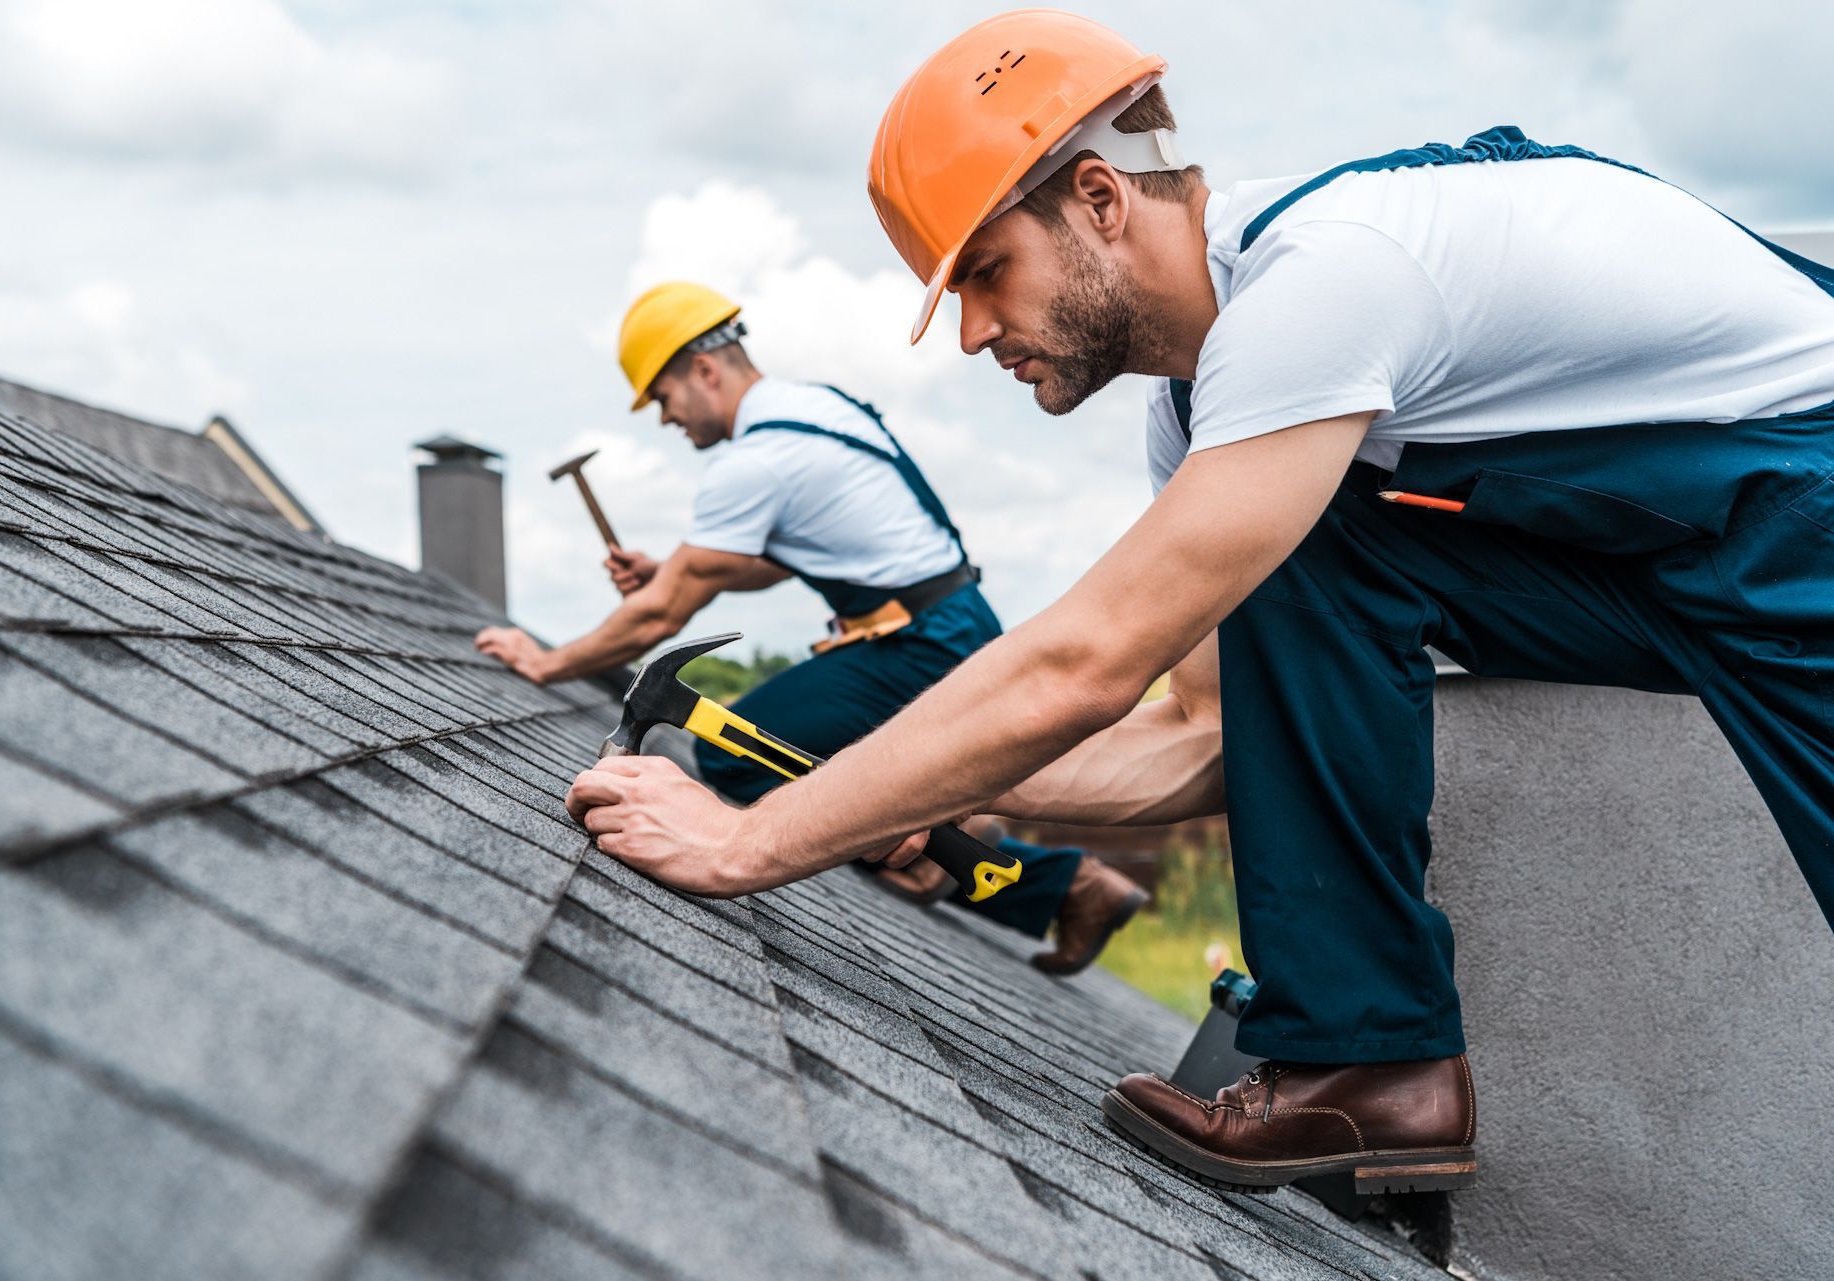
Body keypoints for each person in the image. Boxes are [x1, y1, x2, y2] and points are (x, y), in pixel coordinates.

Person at [564, 9, 1834, 1194]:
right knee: (1315, 545)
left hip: (1801, 505)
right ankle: (1370, 1061)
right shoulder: (1216, 419)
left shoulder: (1322, 287)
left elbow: (1085, 665)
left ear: (1101, 200)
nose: (970, 335)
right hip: (1669, 554)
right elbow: (1206, 735)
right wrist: (919, 793)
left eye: (987, 272)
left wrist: (754, 839)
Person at [476, 280, 1148, 974]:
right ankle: (1003, 859)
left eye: (664, 398)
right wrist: (671, 569)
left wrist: (546, 660)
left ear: (704, 370)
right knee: (825, 768)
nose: (666, 420)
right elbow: (769, 563)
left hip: (916, 644)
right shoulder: (815, 409)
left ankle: (980, 856)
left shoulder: (755, 459)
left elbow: (661, 614)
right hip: (946, 624)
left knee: (735, 756)